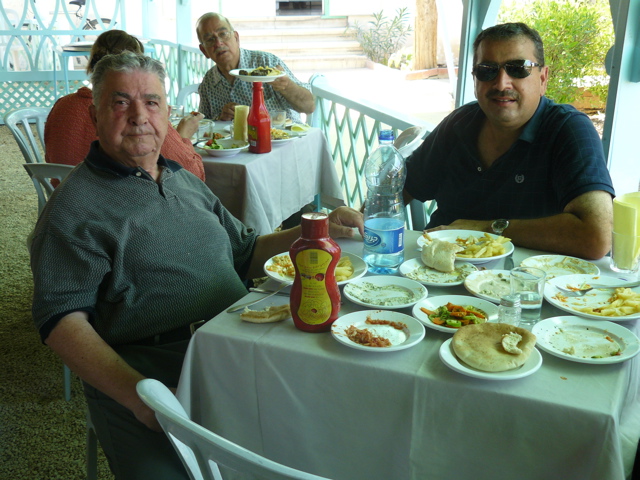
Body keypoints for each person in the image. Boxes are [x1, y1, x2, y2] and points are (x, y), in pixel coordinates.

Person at [29, 51, 363, 479]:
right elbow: (60, 321)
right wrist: (140, 396)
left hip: (235, 346)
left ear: (168, 112)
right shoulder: (73, 209)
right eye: (119, 102)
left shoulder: (182, 179)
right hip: (150, 373)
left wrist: (316, 230)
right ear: (94, 114)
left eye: (151, 102)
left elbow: (245, 251)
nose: (138, 116)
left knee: (322, 437)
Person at [403, 22, 614, 260]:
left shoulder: (568, 130)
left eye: (518, 68)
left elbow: (596, 237)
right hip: (437, 274)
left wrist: (489, 229)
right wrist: (358, 221)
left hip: (525, 287)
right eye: (487, 70)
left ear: (543, 78)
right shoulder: (460, 124)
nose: (501, 83)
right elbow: (399, 189)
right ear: (475, 79)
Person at [44, 29, 206, 181]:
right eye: (121, 102)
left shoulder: (62, 105)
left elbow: (50, 157)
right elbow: (192, 173)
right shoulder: (140, 119)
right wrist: (183, 136)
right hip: (116, 204)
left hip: (64, 192)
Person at [195, 12, 315, 123]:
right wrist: (221, 118)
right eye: (210, 39)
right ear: (204, 50)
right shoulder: (209, 81)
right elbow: (203, 124)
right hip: (238, 144)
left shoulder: (266, 63)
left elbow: (309, 106)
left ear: (236, 38)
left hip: (282, 140)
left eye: (223, 34)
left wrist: (287, 86)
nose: (218, 43)